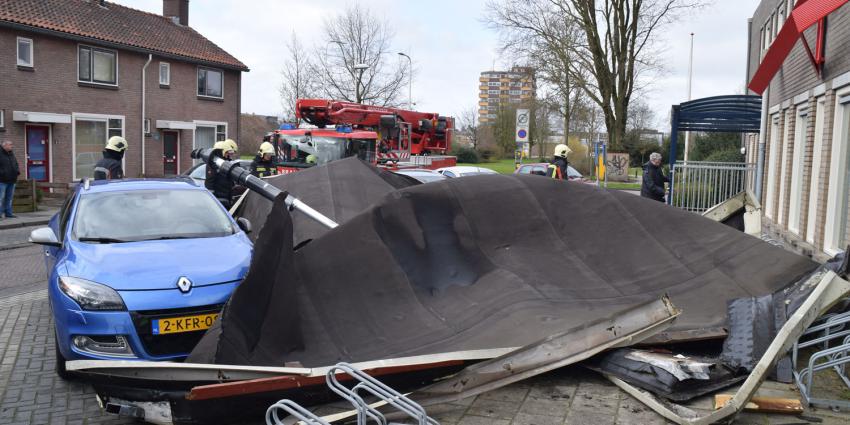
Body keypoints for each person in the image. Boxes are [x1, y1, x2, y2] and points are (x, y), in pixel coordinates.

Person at [206, 139, 239, 208]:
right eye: (228, 153)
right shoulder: (213, 163)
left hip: (225, 196)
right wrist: (212, 198)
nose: (230, 155)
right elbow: (210, 182)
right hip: (219, 198)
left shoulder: (224, 163)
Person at [0, 140, 21, 218]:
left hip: (12, 180)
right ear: (4, 145)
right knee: (1, 198)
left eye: (11, 145)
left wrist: (17, 171)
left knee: (9, 198)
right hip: (2, 180)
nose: (11, 146)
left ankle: (8, 213)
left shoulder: (11, 153)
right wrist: (2, 173)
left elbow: (15, 163)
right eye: (10, 145)